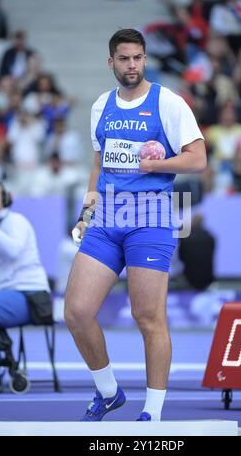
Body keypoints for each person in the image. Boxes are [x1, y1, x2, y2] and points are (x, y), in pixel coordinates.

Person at [64, 28, 206, 422]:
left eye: (138, 58)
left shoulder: (169, 103)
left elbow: (198, 159)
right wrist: (86, 213)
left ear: (145, 59)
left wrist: (156, 165)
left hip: (150, 217)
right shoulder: (100, 106)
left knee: (148, 317)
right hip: (107, 217)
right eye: (124, 59)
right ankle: (109, 392)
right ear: (111, 62)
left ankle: (153, 413)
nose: (132, 65)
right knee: (76, 311)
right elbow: (98, 163)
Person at [0, 178, 50, 393]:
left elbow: (12, 251)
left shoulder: (16, 221)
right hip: (4, 297)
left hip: (30, 297)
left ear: (5, 197)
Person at [178, 213, 215, 291]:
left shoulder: (186, 238)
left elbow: (181, 257)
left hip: (189, 277)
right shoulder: (210, 237)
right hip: (207, 277)